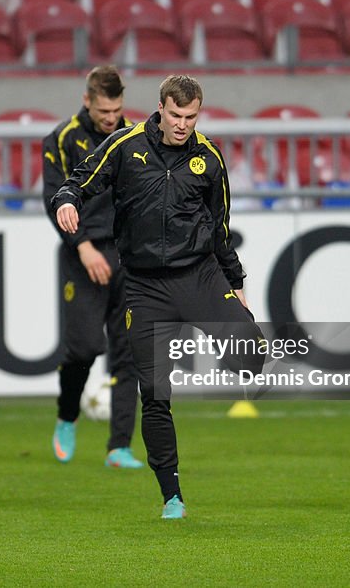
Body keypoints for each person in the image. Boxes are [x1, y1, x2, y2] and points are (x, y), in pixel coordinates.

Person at [53, 75, 265, 519]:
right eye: (176, 115)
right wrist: (67, 201)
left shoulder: (209, 157)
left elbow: (220, 226)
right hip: (145, 286)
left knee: (251, 356)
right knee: (155, 392)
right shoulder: (125, 145)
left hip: (200, 276)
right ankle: (172, 496)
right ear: (160, 109)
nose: (183, 124)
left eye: (191, 117)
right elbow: (78, 180)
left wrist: (237, 283)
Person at [41, 65, 142, 469]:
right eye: (103, 110)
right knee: (83, 347)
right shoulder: (62, 139)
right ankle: (67, 416)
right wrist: (83, 247)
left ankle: (119, 446)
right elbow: (54, 200)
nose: (111, 118)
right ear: (87, 101)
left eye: (116, 109)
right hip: (83, 255)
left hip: (128, 257)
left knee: (129, 351)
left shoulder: (134, 137)